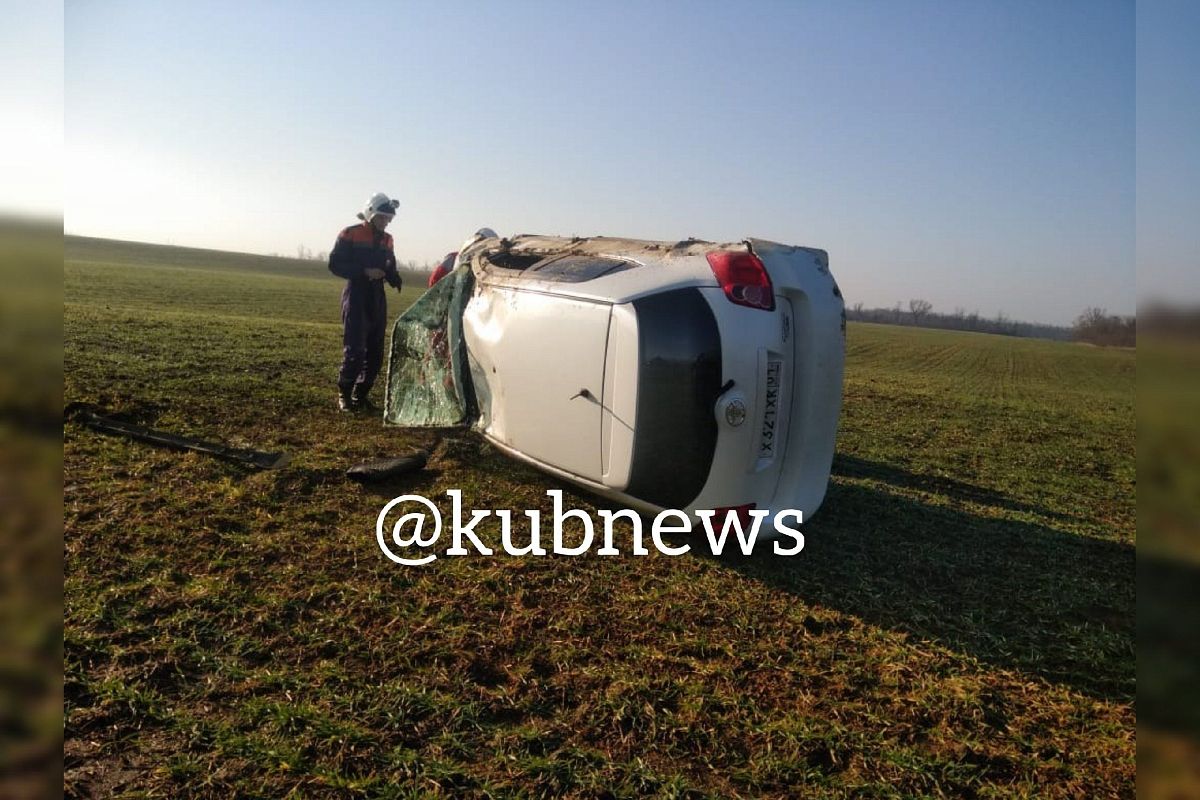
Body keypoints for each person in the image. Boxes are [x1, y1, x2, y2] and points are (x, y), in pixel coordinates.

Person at [328, 193, 403, 412]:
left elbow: (389, 264)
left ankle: (361, 395)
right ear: (371, 214)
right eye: (382, 217)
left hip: (377, 297)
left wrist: (393, 277)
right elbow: (335, 264)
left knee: (375, 352)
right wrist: (364, 271)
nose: (386, 222)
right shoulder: (350, 233)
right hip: (357, 295)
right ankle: (344, 394)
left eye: (388, 218)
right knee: (355, 350)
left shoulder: (388, 239)